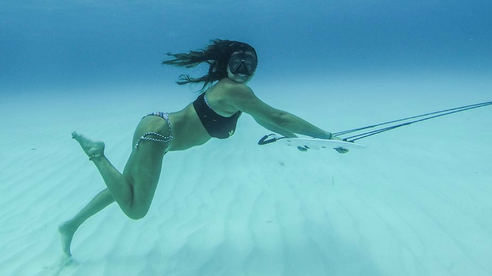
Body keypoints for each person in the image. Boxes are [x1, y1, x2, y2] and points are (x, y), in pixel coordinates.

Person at [59, 39, 341, 257]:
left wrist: (296, 138)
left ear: (256, 67)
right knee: (135, 209)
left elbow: (265, 119)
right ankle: (97, 154)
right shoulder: (235, 90)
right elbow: (278, 116)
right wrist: (328, 136)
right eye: (237, 63)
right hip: (159, 136)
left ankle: (72, 224)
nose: (243, 70)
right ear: (226, 65)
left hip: (155, 125)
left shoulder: (233, 91)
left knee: (125, 187)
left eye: (249, 64)